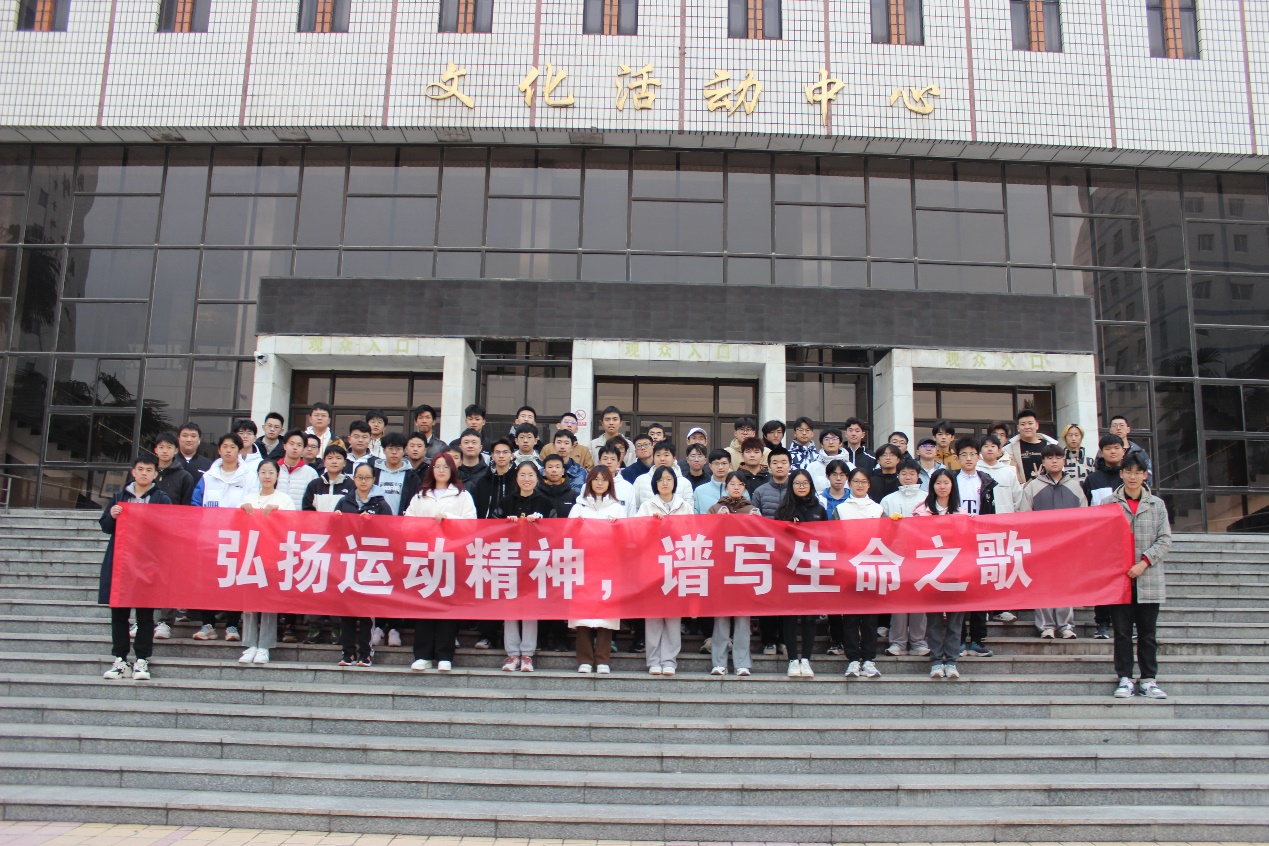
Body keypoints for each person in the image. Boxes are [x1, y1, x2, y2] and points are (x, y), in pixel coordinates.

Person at [99, 456, 173, 681]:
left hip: (147, 563)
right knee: (119, 614)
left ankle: (142, 659)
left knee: (145, 615)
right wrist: (112, 516)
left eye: (148, 470)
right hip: (121, 562)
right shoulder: (119, 497)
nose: (144, 473)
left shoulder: (161, 498)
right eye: (140, 469)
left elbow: (170, 526)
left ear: (155, 474)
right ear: (133, 472)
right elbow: (105, 526)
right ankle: (120, 659)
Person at [403, 453, 477, 672]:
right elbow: (408, 522)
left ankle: (445, 655)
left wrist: (449, 519)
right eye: (437, 466)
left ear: (453, 469)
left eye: (446, 466)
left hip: (451, 557)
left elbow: (471, 524)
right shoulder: (421, 495)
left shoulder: (462, 495)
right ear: (432, 469)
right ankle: (423, 655)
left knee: (447, 606)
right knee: (424, 605)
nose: (442, 470)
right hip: (425, 557)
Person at [1111, 453, 1171, 700]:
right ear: (1121, 474)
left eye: (1138, 472)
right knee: (1122, 633)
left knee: (1147, 634)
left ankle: (1148, 679)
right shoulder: (1108, 503)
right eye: (1128, 472)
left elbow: (1165, 539)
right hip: (1119, 579)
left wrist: (1144, 562)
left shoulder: (1157, 504)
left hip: (1148, 578)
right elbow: (1101, 538)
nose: (1133, 477)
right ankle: (1125, 678)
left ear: (1145, 475)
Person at [190, 433, 261, 643]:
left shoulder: (250, 477)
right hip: (210, 538)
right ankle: (208, 624)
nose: (228, 450)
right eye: (225, 446)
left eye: (233, 447)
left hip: (237, 538)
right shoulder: (208, 476)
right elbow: (196, 504)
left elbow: (254, 503)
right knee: (208, 581)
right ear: (219, 450)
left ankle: (232, 625)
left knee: (234, 581)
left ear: (239, 451)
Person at [1020, 443, 1088, 639]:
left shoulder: (1074, 486)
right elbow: (1024, 515)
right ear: (1043, 462)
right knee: (1042, 585)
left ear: (1064, 460)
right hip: (1041, 546)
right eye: (1049, 458)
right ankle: (1046, 626)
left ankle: (1065, 625)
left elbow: (1084, 517)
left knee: (1065, 585)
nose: (1054, 461)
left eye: (1058, 457)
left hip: (1068, 546)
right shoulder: (1034, 486)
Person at [237, 459, 296, 666]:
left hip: (273, 556)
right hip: (250, 556)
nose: (267, 476)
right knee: (249, 602)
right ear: (258, 475)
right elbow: (235, 525)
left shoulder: (284, 499)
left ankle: (264, 646)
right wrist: (242, 512)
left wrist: (278, 516)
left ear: (277, 475)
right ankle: (250, 644)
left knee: (268, 602)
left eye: (271, 472)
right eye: (263, 472)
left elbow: (292, 526)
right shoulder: (248, 498)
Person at [333, 463, 393, 667]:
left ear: (373, 480)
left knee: (367, 610)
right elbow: (333, 530)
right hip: (348, 561)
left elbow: (390, 530)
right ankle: (347, 652)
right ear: (354, 479)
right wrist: (336, 520)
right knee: (347, 609)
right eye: (359, 477)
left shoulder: (381, 504)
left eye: (367, 478)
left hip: (371, 562)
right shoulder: (344, 501)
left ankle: (366, 653)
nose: (363, 481)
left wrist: (372, 523)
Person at [568, 467, 625, 674]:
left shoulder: (617, 508)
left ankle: (603, 659)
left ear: (610, 483)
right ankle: (584, 659)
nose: (600, 483)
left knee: (606, 614)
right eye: (596, 479)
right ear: (589, 482)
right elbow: (567, 534)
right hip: (583, 566)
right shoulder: (578, 507)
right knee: (583, 613)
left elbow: (626, 537)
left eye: (604, 479)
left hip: (608, 568)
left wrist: (617, 527)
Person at [637, 466, 693, 676]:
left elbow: (692, 534)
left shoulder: (684, 506)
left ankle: (669, 660)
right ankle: (653, 660)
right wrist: (651, 524)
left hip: (676, 566)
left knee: (673, 615)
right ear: (655, 484)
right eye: (660, 480)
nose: (665, 483)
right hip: (652, 566)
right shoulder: (646, 506)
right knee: (653, 615)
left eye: (669, 479)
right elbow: (635, 533)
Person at [774, 469, 826, 678]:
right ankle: (792, 660)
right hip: (789, 569)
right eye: (797, 483)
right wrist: (789, 528)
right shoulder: (783, 510)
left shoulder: (819, 509)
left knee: (809, 617)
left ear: (811, 486)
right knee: (789, 616)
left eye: (805, 483)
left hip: (812, 570)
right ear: (791, 486)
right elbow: (775, 537)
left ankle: (806, 659)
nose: (801, 486)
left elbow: (828, 537)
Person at [912, 468, 963, 679]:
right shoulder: (921, 512)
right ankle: (935, 661)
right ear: (932, 486)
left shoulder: (961, 514)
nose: (942, 487)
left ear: (952, 486)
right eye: (938, 483)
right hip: (931, 573)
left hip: (956, 574)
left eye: (946, 483)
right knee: (933, 621)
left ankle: (951, 661)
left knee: (955, 621)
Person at [705, 471, 757, 677]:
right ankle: (718, 662)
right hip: (721, 569)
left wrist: (757, 522)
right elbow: (704, 534)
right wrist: (717, 520)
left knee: (743, 618)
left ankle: (742, 663)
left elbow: (761, 539)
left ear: (745, 487)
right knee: (721, 617)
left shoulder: (751, 510)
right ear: (726, 486)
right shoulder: (715, 508)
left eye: (740, 484)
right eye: (732, 484)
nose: (736, 487)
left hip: (744, 569)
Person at [952, 438, 1000, 659]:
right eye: (964, 454)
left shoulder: (986, 481)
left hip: (981, 540)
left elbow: (991, 512)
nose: (968, 458)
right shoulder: (951, 480)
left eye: (972, 454)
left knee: (980, 591)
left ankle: (978, 640)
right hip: (957, 540)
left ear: (978, 457)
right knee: (959, 591)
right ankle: (959, 639)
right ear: (957, 457)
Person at [835, 467, 883, 679]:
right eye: (856, 481)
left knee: (870, 619)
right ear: (849, 484)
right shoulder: (841, 509)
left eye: (864, 481)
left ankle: (869, 659)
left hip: (872, 568)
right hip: (849, 569)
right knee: (851, 618)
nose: (860, 485)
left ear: (869, 485)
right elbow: (834, 538)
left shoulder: (878, 509)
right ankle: (853, 659)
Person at [879, 459, 929, 658]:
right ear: (898, 476)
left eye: (912, 474)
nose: (908, 477)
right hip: (896, 556)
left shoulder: (927, 499)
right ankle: (897, 642)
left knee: (919, 600)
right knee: (898, 600)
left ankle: (918, 641)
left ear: (918, 476)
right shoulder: (888, 500)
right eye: (904, 474)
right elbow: (881, 529)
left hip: (921, 556)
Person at [1085, 434, 1127, 640]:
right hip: (1100, 539)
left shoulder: (1130, 477)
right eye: (1108, 448)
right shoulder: (1093, 479)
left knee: (1127, 582)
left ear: (1123, 451)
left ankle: (1128, 623)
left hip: (1127, 538)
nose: (1113, 451)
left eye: (1116, 448)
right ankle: (1102, 623)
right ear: (1101, 452)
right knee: (1102, 581)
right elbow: (1085, 509)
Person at [632, 442, 693, 512]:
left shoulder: (684, 482)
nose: (662, 459)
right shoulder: (640, 480)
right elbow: (634, 508)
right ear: (653, 457)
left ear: (674, 458)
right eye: (658, 455)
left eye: (666, 455)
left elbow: (689, 511)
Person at [301, 445, 356, 514]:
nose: (334, 461)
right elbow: (307, 510)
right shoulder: (314, 485)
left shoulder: (352, 485)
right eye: (330, 458)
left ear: (344, 463)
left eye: (338, 458)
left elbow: (354, 510)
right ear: (324, 462)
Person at [1008, 408, 1058, 484]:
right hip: (1024, 490)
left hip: (1050, 489)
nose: (1027, 427)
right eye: (1023, 424)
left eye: (1030, 423)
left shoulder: (1051, 446)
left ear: (1037, 425)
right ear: (1018, 428)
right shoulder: (1010, 450)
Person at [276, 429, 319, 510]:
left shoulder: (311, 473)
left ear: (303, 448)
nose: (295, 448)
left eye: (299, 445)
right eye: (291, 444)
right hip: (276, 515)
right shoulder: (274, 469)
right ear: (284, 446)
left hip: (300, 516)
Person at [977, 435, 1021, 514]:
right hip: (981, 517)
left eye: (993, 446)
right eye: (986, 446)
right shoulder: (975, 471)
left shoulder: (1008, 472)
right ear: (980, 451)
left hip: (1006, 517)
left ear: (999, 450)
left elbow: (1018, 498)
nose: (990, 449)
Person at [1109, 415, 1153, 483]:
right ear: (1110, 431)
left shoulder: (1139, 452)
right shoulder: (1105, 452)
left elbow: (1148, 476)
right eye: (1114, 426)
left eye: (1121, 425)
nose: (1118, 428)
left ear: (1128, 429)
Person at [695, 448, 740, 516]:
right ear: (710, 466)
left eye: (724, 463)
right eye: (716, 463)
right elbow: (695, 516)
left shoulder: (739, 489)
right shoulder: (699, 491)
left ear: (729, 465)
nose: (720, 467)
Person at [456, 428, 492, 508]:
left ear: (480, 447)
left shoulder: (488, 472)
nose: (470, 446)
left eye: (474, 442)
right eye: (466, 442)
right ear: (460, 447)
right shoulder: (454, 472)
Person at [751, 446, 791, 517]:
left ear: (790, 466)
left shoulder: (797, 490)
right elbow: (754, 519)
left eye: (783, 462)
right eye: (775, 463)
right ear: (769, 466)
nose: (779, 466)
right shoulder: (759, 492)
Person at [597, 445, 637, 516]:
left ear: (618, 464)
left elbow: (631, 514)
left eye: (613, 459)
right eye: (605, 459)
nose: (609, 462)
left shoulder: (628, 487)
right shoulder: (590, 485)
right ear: (599, 462)